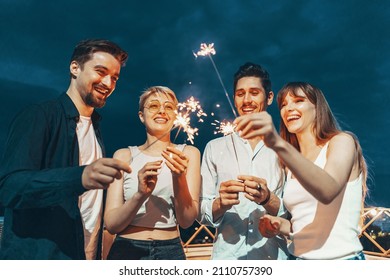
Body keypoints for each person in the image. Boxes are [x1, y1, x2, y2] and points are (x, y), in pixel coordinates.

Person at [0, 39, 131, 260]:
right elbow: (9, 187)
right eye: (101, 71)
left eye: (115, 78)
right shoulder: (38, 115)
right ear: (74, 68)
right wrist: (79, 177)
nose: (108, 83)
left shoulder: (96, 131)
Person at [234, 82, 368, 260]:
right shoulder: (291, 163)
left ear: (317, 108)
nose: (289, 108)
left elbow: (328, 190)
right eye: (283, 104)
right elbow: (305, 224)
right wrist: (280, 225)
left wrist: (277, 143)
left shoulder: (341, 142)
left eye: (298, 100)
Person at [198, 62, 288, 260]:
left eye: (254, 92)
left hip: (273, 260)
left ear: (269, 97)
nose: (246, 100)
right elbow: (201, 211)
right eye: (240, 94)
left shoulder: (286, 149)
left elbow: (295, 212)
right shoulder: (214, 147)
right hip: (227, 260)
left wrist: (267, 199)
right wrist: (220, 204)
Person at [104, 86, 201, 260]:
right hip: (127, 248)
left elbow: (186, 221)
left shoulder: (188, 154)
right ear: (141, 115)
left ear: (175, 116)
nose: (162, 111)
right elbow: (111, 225)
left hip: (170, 250)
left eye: (169, 107)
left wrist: (178, 178)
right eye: (154, 106)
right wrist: (140, 194)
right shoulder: (123, 156)